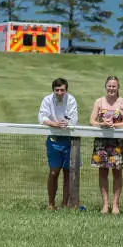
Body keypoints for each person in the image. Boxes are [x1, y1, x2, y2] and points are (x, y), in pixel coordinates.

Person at [89, 75, 123, 215]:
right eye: (109, 86)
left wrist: (114, 125)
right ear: (105, 86)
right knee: (102, 171)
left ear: (118, 87)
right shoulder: (99, 102)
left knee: (117, 172)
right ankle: (105, 205)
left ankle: (115, 205)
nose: (111, 88)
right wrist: (102, 124)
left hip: (117, 141)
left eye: (114, 86)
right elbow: (92, 121)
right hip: (101, 142)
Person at [38, 78, 79, 210]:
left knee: (68, 173)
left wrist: (67, 123)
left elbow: (74, 119)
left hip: (69, 140)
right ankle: (51, 204)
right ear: (53, 90)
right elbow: (42, 117)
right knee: (53, 173)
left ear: (66, 90)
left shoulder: (71, 100)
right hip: (53, 140)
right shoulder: (47, 100)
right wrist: (54, 124)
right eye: (57, 90)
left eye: (62, 90)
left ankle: (65, 204)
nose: (60, 92)